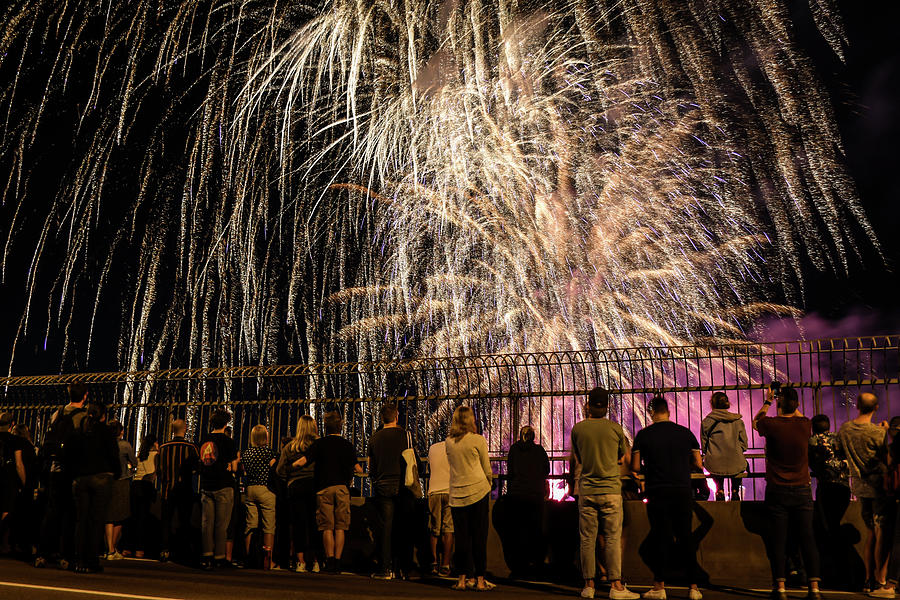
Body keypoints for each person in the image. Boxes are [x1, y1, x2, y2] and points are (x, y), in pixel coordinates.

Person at [631, 396, 703, 600]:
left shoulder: (643, 435)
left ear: (651, 412)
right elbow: (698, 463)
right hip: (682, 490)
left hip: (657, 490)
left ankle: (659, 586)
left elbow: (635, 467)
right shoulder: (685, 433)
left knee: (660, 536)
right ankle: (694, 588)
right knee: (685, 537)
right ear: (668, 411)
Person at [753, 385, 821, 599]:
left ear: (780, 404)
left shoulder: (771, 424)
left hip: (777, 490)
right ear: (798, 405)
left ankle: (780, 587)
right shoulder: (804, 424)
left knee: (778, 540)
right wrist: (791, 403)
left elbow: (756, 420)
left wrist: (769, 400)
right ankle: (814, 588)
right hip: (802, 489)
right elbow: (800, 416)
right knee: (807, 538)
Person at [570, 387, 639, 600]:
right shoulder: (616, 429)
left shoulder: (578, 430)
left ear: (588, 405)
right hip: (610, 490)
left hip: (587, 490)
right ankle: (616, 585)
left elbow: (578, 458)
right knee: (611, 538)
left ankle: (588, 585)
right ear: (607, 406)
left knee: (587, 539)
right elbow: (622, 457)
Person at [294, 411, 362, 574]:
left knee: (326, 527)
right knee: (340, 527)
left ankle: (329, 560)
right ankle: (338, 562)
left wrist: (293, 465)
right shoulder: (347, 445)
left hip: (323, 488)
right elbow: (358, 468)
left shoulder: (320, 444)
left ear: (326, 427)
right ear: (340, 427)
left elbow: (303, 461)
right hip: (342, 488)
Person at [838, 392, 889, 591]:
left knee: (871, 533)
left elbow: (840, 451)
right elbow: (885, 458)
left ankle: (868, 579)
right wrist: (884, 431)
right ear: (876, 408)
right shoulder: (879, 433)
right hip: (880, 489)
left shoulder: (845, 429)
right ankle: (881, 580)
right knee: (882, 534)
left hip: (860, 487)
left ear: (857, 405)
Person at [35, 383, 87, 569]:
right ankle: (65, 555)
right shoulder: (84, 417)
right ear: (85, 396)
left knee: (51, 512)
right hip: (72, 472)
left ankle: (42, 553)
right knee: (70, 515)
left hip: (54, 469)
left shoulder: (57, 413)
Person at [64, 401, 120, 573]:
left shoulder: (79, 431)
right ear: (103, 416)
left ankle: (79, 559)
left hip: (81, 479)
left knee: (81, 520)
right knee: (96, 521)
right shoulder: (106, 432)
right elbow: (113, 455)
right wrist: (115, 473)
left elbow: (69, 455)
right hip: (102, 478)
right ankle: (91, 560)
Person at [446, 405, 495, 591]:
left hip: (457, 495)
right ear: (470, 419)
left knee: (462, 539)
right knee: (479, 538)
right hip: (478, 492)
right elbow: (486, 468)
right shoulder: (478, 440)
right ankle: (480, 580)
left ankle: (461, 579)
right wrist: (488, 485)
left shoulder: (449, 442)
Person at [367, 403, 415, 580]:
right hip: (403, 485)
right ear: (397, 416)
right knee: (403, 527)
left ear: (381, 418)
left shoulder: (374, 438)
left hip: (383, 485)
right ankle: (404, 568)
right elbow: (413, 459)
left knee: (385, 528)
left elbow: (370, 468)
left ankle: (385, 568)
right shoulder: (406, 435)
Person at [504, 425, 550, 577]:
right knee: (536, 530)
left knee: (518, 530)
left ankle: (519, 565)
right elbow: (546, 470)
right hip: (535, 495)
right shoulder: (540, 451)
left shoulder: (514, 450)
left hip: (517, 495)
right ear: (534, 436)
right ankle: (536, 563)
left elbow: (510, 471)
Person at [276, 414, 320, 573]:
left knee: (298, 525)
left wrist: (289, 477)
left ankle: (300, 562)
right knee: (315, 525)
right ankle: (316, 561)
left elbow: (280, 470)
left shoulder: (290, 447)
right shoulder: (318, 445)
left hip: (295, 487)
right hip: (315, 486)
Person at [199, 408, 239, 570]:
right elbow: (233, 466)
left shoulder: (204, 440)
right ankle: (219, 557)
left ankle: (206, 555)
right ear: (226, 423)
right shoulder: (228, 442)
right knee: (221, 525)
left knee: (206, 523)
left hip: (206, 485)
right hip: (223, 485)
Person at [157, 419, 199, 563]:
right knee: (184, 521)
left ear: (172, 430)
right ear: (185, 429)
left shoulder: (163, 448)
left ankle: (164, 550)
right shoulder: (190, 447)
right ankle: (182, 551)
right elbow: (196, 469)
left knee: (166, 521)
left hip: (167, 489)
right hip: (184, 490)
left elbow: (159, 470)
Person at [808, 415, 850, 551]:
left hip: (826, 487)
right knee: (836, 522)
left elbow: (810, 462)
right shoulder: (839, 438)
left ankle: (830, 554)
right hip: (844, 487)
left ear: (813, 428)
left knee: (825, 523)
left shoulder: (813, 441)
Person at [241, 424, 277, 570]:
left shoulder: (246, 453)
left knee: (250, 524)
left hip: (250, 489)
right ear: (265, 437)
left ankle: (249, 558)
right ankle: (268, 560)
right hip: (265, 489)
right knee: (268, 526)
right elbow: (275, 469)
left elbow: (243, 470)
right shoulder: (269, 453)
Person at [700, 392, 748, 501]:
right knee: (739, 464)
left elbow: (704, 447)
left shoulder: (706, 422)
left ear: (712, 404)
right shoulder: (738, 422)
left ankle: (719, 490)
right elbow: (744, 445)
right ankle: (735, 490)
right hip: (735, 463)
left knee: (714, 462)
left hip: (715, 464)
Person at [105, 420, 136, 560]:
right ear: (121, 431)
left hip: (107, 481)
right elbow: (134, 462)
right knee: (120, 516)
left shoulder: (104, 445)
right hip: (122, 482)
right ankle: (112, 548)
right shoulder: (125, 445)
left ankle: (110, 549)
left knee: (108, 516)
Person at [427, 438, 453, 577]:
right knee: (448, 529)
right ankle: (446, 564)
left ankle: (433, 563)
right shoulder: (454, 449)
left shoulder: (433, 448)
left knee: (434, 529)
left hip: (434, 491)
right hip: (450, 491)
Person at [0, 413, 27, 547]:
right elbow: (19, 464)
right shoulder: (16, 441)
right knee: (6, 508)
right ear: (12, 424)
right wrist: (24, 482)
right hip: (8, 476)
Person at [131, 433, 158, 558]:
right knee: (143, 518)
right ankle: (139, 549)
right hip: (145, 486)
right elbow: (153, 473)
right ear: (154, 443)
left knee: (134, 517)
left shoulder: (140, 455)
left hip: (135, 485)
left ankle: (127, 547)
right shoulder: (155, 455)